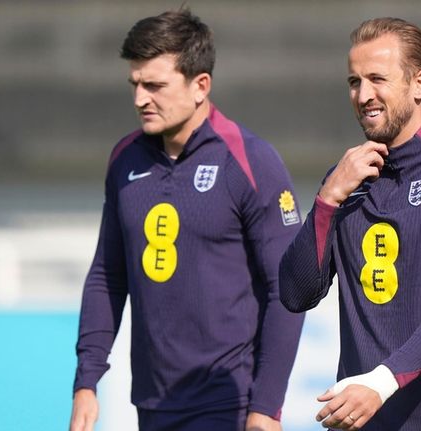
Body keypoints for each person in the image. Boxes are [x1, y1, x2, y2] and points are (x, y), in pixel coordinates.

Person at [69, 9, 305, 431]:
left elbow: (287, 291)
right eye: (136, 84)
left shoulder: (251, 163)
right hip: (152, 405)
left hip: (228, 403)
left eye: (155, 85)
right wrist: (86, 381)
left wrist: (267, 407)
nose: (140, 98)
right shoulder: (125, 159)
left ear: (201, 86)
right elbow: (108, 275)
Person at [279, 17, 421, 430]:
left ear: (419, 84)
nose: (364, 95)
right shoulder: (346, 178)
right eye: (354, 82)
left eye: (377, 79)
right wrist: (327, 200)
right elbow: (296, 294)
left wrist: (381, 383)